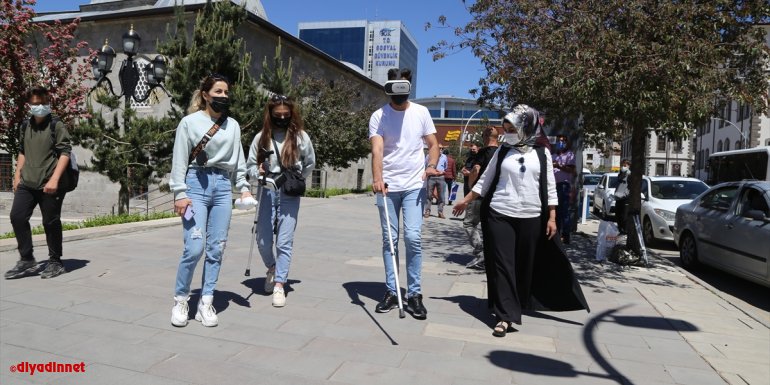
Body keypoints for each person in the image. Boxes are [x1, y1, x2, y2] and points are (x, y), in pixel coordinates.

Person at [453, 104, 589, 337]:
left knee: (524, 265)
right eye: (505, 128)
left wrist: (553, 217)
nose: (508, 133)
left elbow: (549, 187)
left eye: (512, 128)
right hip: (499, 213)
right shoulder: (503, 151)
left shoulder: (541, 153)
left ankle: (518, 301)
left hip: (532, 216)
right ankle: (505, 316)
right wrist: (466, 200)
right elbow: (486, 180)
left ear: (527, 127)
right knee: (502, 264)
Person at [168, 74, 253, 327]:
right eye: (218, 92)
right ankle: (181, 299)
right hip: (196, 183)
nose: (223, 96)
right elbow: (180, 160)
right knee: (194, 247)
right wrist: (179, 193)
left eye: (226, 92)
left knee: (217, 248)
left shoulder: (234, 126)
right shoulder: (189, 122)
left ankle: (206, 301)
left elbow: (238, 160)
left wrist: (245, 188)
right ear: (205, 95)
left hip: (223, 187)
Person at [370, 67, 441, 320]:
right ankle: (391, 291)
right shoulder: (379, 115)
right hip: (388, 187)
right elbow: (377, 150)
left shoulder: (421, 112)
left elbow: (434, 144)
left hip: (413, 185)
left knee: (412, 237)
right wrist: (377, 179)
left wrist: (431, 166)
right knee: (390, 241)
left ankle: (414, 294)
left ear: (408, 87)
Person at [247, 94, 315, 308]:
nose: (283, 118)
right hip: (266, 190)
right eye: (278, 115)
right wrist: (256, 172)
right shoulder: (261, 137)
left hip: (288, 193)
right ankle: (273, 267)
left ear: (292, 114)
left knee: (284, 241)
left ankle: (279, 284)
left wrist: (296, 179)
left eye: (286, 114)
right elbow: (249, 165)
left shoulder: (300, 137)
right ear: (270, 114)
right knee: (263, 240)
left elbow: (310, 162)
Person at [6, 86, 72, 280]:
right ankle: (27, 260)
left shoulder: (56, 125)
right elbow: (22, 151)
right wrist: (17, 175)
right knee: (17, 217)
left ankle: (55, 262)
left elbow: (65, 153)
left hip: (49, 182)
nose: (40, 106)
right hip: (28, 181)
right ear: (29, 105)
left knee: (50, 222)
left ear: (48, 102)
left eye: (43, 103)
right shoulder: (25, 125)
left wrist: (54, 179)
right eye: (35, 104)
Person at [463, 126, 499, 269]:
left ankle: (480, 253)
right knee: (490, 226)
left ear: (485, 137)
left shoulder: (483, 152)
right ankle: (493, 255)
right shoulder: (503, 152)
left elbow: (476, 170)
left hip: (479, 194)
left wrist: (472, 188)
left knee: (470, 223)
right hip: (496, 195)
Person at [553, 135, 576, 244]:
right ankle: (556, 234)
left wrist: (559, 166)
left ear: (567, 143)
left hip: (564, 186)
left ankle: (565, 236)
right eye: (559, 141)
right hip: (553, 186)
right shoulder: (554, 155)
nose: (560, 143)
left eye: (563, 141)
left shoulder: (570, 155)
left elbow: (571, 170)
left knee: (564, 212)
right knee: (555, 211)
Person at [424, 148, 448, 218]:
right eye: (439, 148)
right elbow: (426, 165)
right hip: (431, 177)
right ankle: (427, 211)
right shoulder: (429, 156)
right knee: (429, 195)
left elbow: (445, 167)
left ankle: (440, 212)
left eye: (441, 148)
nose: (440, 149)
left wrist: (441, 171)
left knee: (441, 195)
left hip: (441, 177)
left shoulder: (444, 157)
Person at [613, 159, 631, 234]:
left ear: (628, 166)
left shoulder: (629, 174)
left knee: (624, 216)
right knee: (618, 215)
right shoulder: (620, 174)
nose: (623, 166)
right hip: (618, 198)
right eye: (622, 165)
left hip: (625, 198)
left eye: (625, 165)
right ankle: (620, 229)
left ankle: (625, 231)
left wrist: (625, 194)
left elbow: (630, 187)